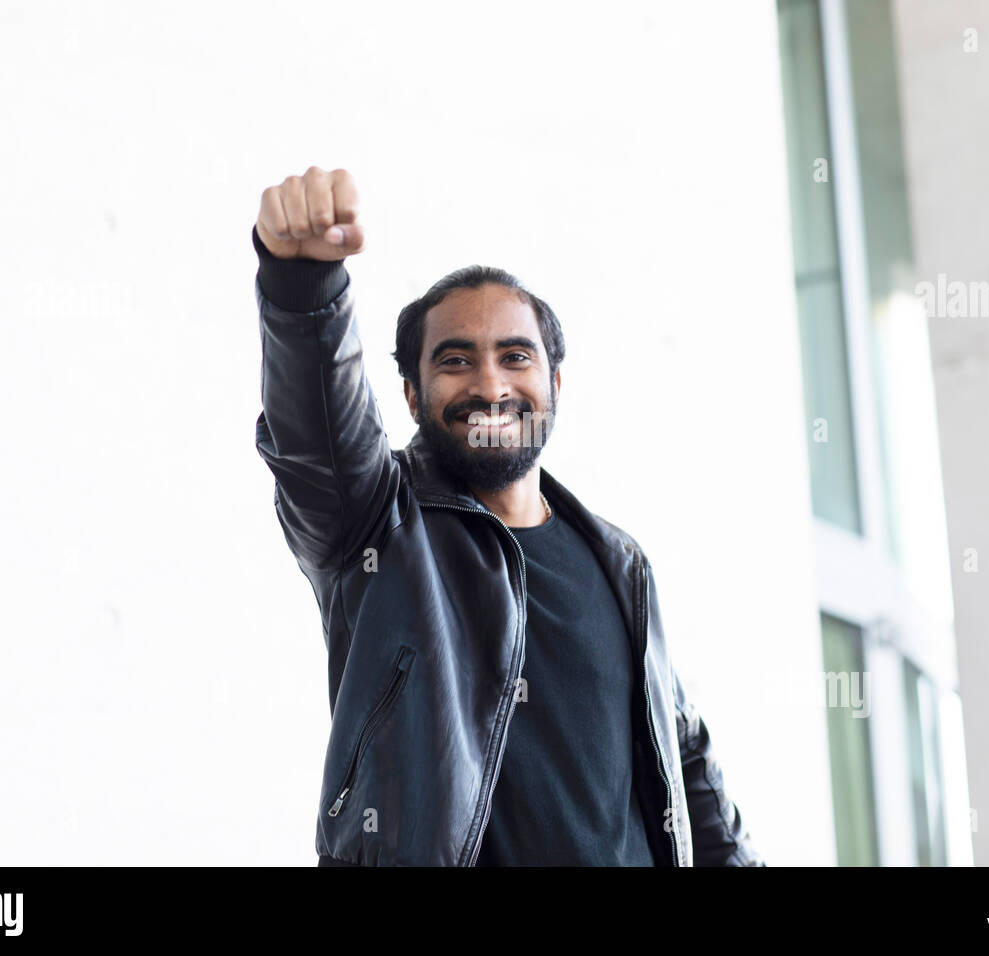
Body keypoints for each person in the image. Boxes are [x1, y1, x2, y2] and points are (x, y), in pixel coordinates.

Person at [252, 165, 765, 866]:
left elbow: (689, 775)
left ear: (553, 384)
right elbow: (320, 437)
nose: (490, 385)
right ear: (411, 394)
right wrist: (304, 287)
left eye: (514, 357)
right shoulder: (376, 525)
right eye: (456, 361)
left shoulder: (622, 565)